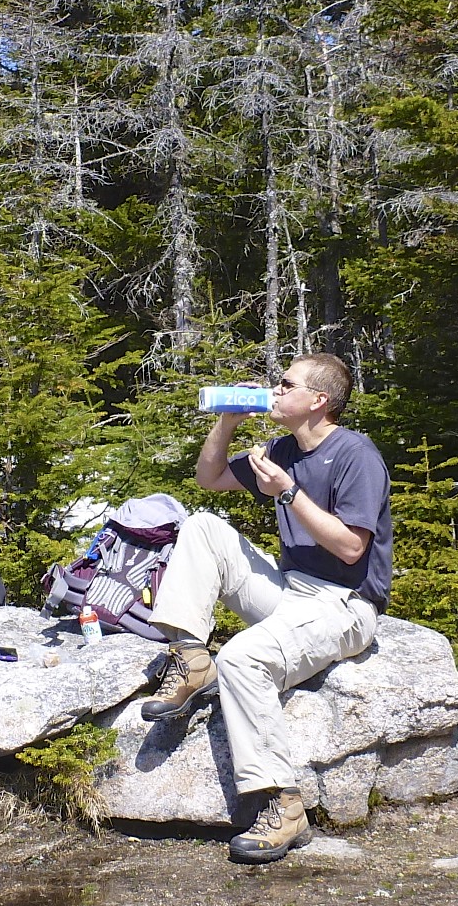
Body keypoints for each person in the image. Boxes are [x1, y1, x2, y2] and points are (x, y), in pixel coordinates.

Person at [142, 352, 393, 864]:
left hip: (344, 604)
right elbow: (209, 478)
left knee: (240, 658)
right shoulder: (283, 449)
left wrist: (288, 491)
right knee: (202, 525)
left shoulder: (355, 454)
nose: (274, 391)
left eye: (286, 384)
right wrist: (227, 421)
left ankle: (283, 802)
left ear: (319, 400)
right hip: (291, 590)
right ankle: (191, 657)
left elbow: (351, 548)